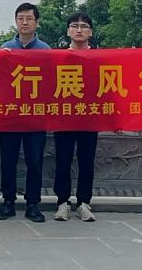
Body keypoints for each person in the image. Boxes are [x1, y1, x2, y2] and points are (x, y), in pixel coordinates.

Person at [0, 2, 51, 223]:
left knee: (34, 161)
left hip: (35, 116)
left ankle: (33, 204)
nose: (25, 23)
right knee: (7, 160)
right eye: (21, 18)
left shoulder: (45, 51)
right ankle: (8, 201)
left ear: (37, 22)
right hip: (10, 115)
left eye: (29, 19)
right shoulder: (5, 48)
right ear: (16, 22)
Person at [53, 11, 98, 223]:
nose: (79, 30)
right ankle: (62, 202)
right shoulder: (58, 58)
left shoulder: (100, 58)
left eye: (84, 26)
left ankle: (83, 203)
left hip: (90, 117)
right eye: (74, 26)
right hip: (64, 117)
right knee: (62, 160)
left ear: (91, 32)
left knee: (87, 161)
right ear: (68, 31)